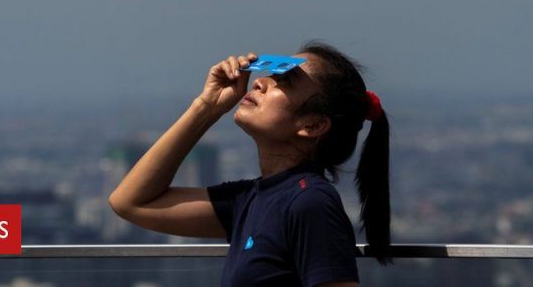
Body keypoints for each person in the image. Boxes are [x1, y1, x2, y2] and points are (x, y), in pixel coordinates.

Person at [108, 41, 391, 286]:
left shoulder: (310, 203)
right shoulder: (254, 199)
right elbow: (131, 202)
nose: (260, 81)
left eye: (285, 81)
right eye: (271, 74)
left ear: (313, 125)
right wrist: (206, 106)